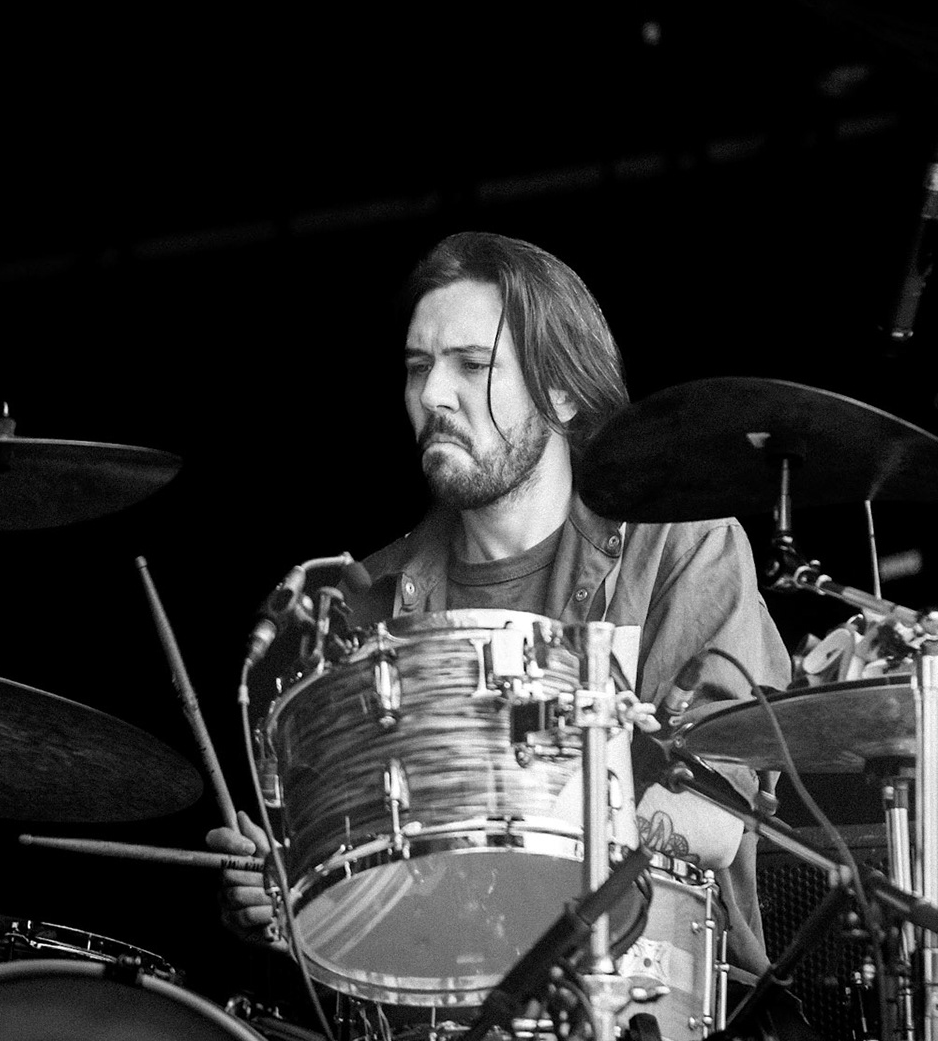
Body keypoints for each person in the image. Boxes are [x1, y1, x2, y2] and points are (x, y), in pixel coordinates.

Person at [209, 231, 791, 977]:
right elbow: (348, 894)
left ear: (561, 390)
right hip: (440, 1002)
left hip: (659, 994)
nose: (431, 396)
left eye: (472, 366)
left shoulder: (681, 547)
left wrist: (523, 855)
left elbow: (715, 817)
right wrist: (296, 890)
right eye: (418, 368)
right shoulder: (359, 608)